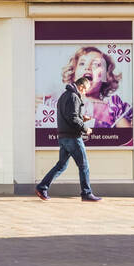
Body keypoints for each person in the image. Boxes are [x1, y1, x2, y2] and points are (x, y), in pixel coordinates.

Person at [37, 74, 101, 202]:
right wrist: (85, 128)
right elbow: (72, 118)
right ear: (81, 87)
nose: (86, 92)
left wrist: (82, 118)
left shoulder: (65, 95)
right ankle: (86, 193)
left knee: (61, 165)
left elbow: (69, 116)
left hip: (64, 136)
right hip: (72, 137)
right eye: (86, 89)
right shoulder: (73, 96)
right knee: (84, 166)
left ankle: (42, 187)